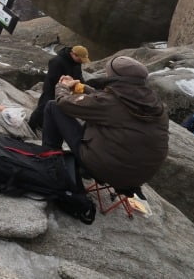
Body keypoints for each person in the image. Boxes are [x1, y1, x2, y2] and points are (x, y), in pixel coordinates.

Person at [41, 56, 169, 189]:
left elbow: (64, 103)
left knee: (53, 107)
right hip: (137, 178)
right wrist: (81, 88)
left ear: (115, 77)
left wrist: (62, 87)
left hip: (104, 171)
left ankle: (50, 161)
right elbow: (109, 100)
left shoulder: (109, 103)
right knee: (96, 119)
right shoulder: (155, 105)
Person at [26, 45, 90, 132]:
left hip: (66, 88)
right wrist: (66, 83)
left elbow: (79, 76)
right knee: (44, 106)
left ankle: (44, 124)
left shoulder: (77, 63)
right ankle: (31, 125)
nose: (81, 62)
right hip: (51, 88)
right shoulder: (57, 61)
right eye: (80, 59)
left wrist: (83, 86)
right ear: (73, 54)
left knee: (59, 109)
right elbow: (53, 77)